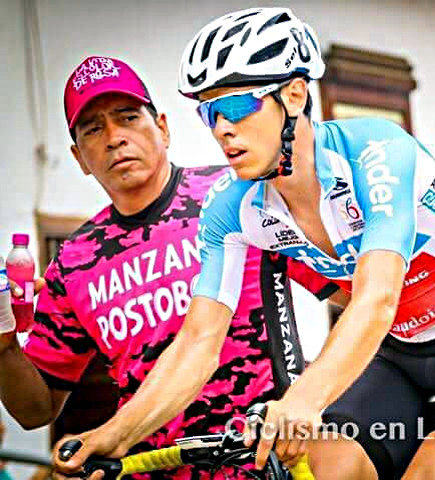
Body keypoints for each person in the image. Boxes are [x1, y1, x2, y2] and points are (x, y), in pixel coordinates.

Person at [51, 12, 435, 480]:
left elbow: (376, 299)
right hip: (402, 353)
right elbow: (199, 343)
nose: (221, 128)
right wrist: (112, 436)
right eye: (209, 111)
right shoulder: (229, 207)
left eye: (237, 106)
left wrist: (302, 399)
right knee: (328, 468)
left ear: (295, 94)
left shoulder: (376, 152)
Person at [0, 55, 340, 479]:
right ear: (79, 157)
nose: (114, 138)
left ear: (162, 128)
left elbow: (350, 293)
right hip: (149, 468)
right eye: (93, 128)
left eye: (128, 117)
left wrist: (314, 398)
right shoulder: (73, 263)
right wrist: (5, 346)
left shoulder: (239, 197)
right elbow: (35, 411)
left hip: (267, 462)